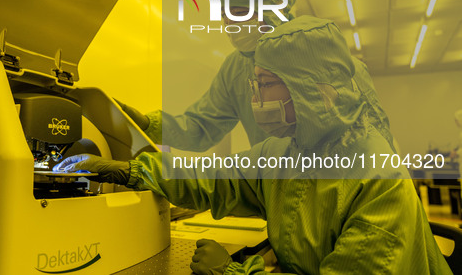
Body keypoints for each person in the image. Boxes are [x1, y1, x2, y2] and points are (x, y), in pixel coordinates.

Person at [56, 16, 451, 274]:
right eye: (255, 83)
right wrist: (132, 170)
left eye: (265, 83)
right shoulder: (287, 151)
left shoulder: (376, 178)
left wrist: (234, 273)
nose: (256, 96)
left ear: (309, 87)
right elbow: (214, 178)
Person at [120, 0, 395, 154]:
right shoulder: (236, 67)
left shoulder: (323, 58)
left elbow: (374, 140)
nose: (229, 23)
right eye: (223, 14)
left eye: (238, 12)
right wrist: (149, 125)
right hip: (280, 201)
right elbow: (201, 127)